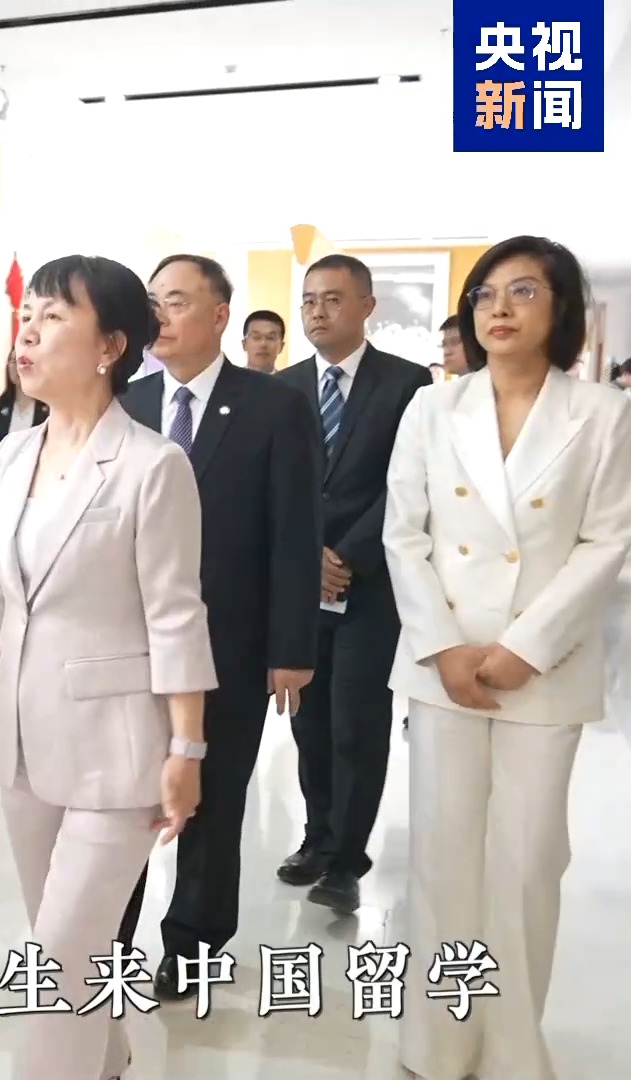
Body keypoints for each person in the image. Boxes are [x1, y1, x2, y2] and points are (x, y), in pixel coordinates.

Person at [384, 235, 631, 1080]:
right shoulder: (433, 408)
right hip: (447, 663)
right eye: (486, 294)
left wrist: (525, 646)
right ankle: (439, 1042)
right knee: (442, 854)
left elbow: (608, 539)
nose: (499, 308)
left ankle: (511, 1048)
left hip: (543, 666)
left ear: (560, 308)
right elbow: (404, 535)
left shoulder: (598, 412)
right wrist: (444, 646)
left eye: (523, 291)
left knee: (529, 861)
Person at [0, 254, 213, 1080]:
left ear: (111, 346)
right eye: (25, 316)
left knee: (59, 960)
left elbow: (176, 614)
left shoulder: (152, 465)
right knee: (65, 943)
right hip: (21, 739)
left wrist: (188, 748)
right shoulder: (14, 453)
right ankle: (107, 1060)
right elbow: (3, 587)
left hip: (118, 747)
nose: (28, 333)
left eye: (53, 316)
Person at [114, 255, 322, 996]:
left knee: (214, 798)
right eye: (152, 303)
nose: (159, 317)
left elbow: (295, 531)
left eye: (176, 301)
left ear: (220, 315)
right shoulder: (126, 400)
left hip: (229, 642)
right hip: (131, 643)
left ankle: (194, 946)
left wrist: (291, 647)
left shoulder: (273, 406)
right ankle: (111, 939)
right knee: (126, 799)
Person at [273, 253, 433, 914]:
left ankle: (347, 860)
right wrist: (308, 555)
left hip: (370, 584)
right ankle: (317, 838)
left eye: (333, 299)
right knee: (308, 721)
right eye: (309, 300)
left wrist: (348, 554)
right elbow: (277, 485)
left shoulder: (408, 384)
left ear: (367, 306)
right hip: (299, 585)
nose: (318, 311)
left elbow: (409, 482)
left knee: (357, 725)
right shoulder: (283, 388)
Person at [0, 344, 47, 523]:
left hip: (37, 489)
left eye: (20, 361)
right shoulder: (1, 405)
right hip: (5, 486)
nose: (15, 367)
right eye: (12, 362)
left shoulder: (46, 407)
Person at [240, 308, 287, 373]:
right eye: (256, 337)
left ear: (281, 346)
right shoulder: (229, 379)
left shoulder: (288, 379)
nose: (263, 344)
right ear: (244, 344)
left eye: (270, 338)